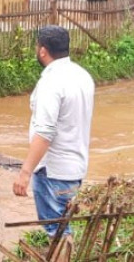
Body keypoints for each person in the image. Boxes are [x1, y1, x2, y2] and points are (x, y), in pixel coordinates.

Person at [13, 25, 94, 246]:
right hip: (75, 168)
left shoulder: (51, 82)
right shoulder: (83, 76)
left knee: (56, 231)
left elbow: (45, 132)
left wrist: (25, 172)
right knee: (63, 227)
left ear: (42, 50)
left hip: (53, 171)